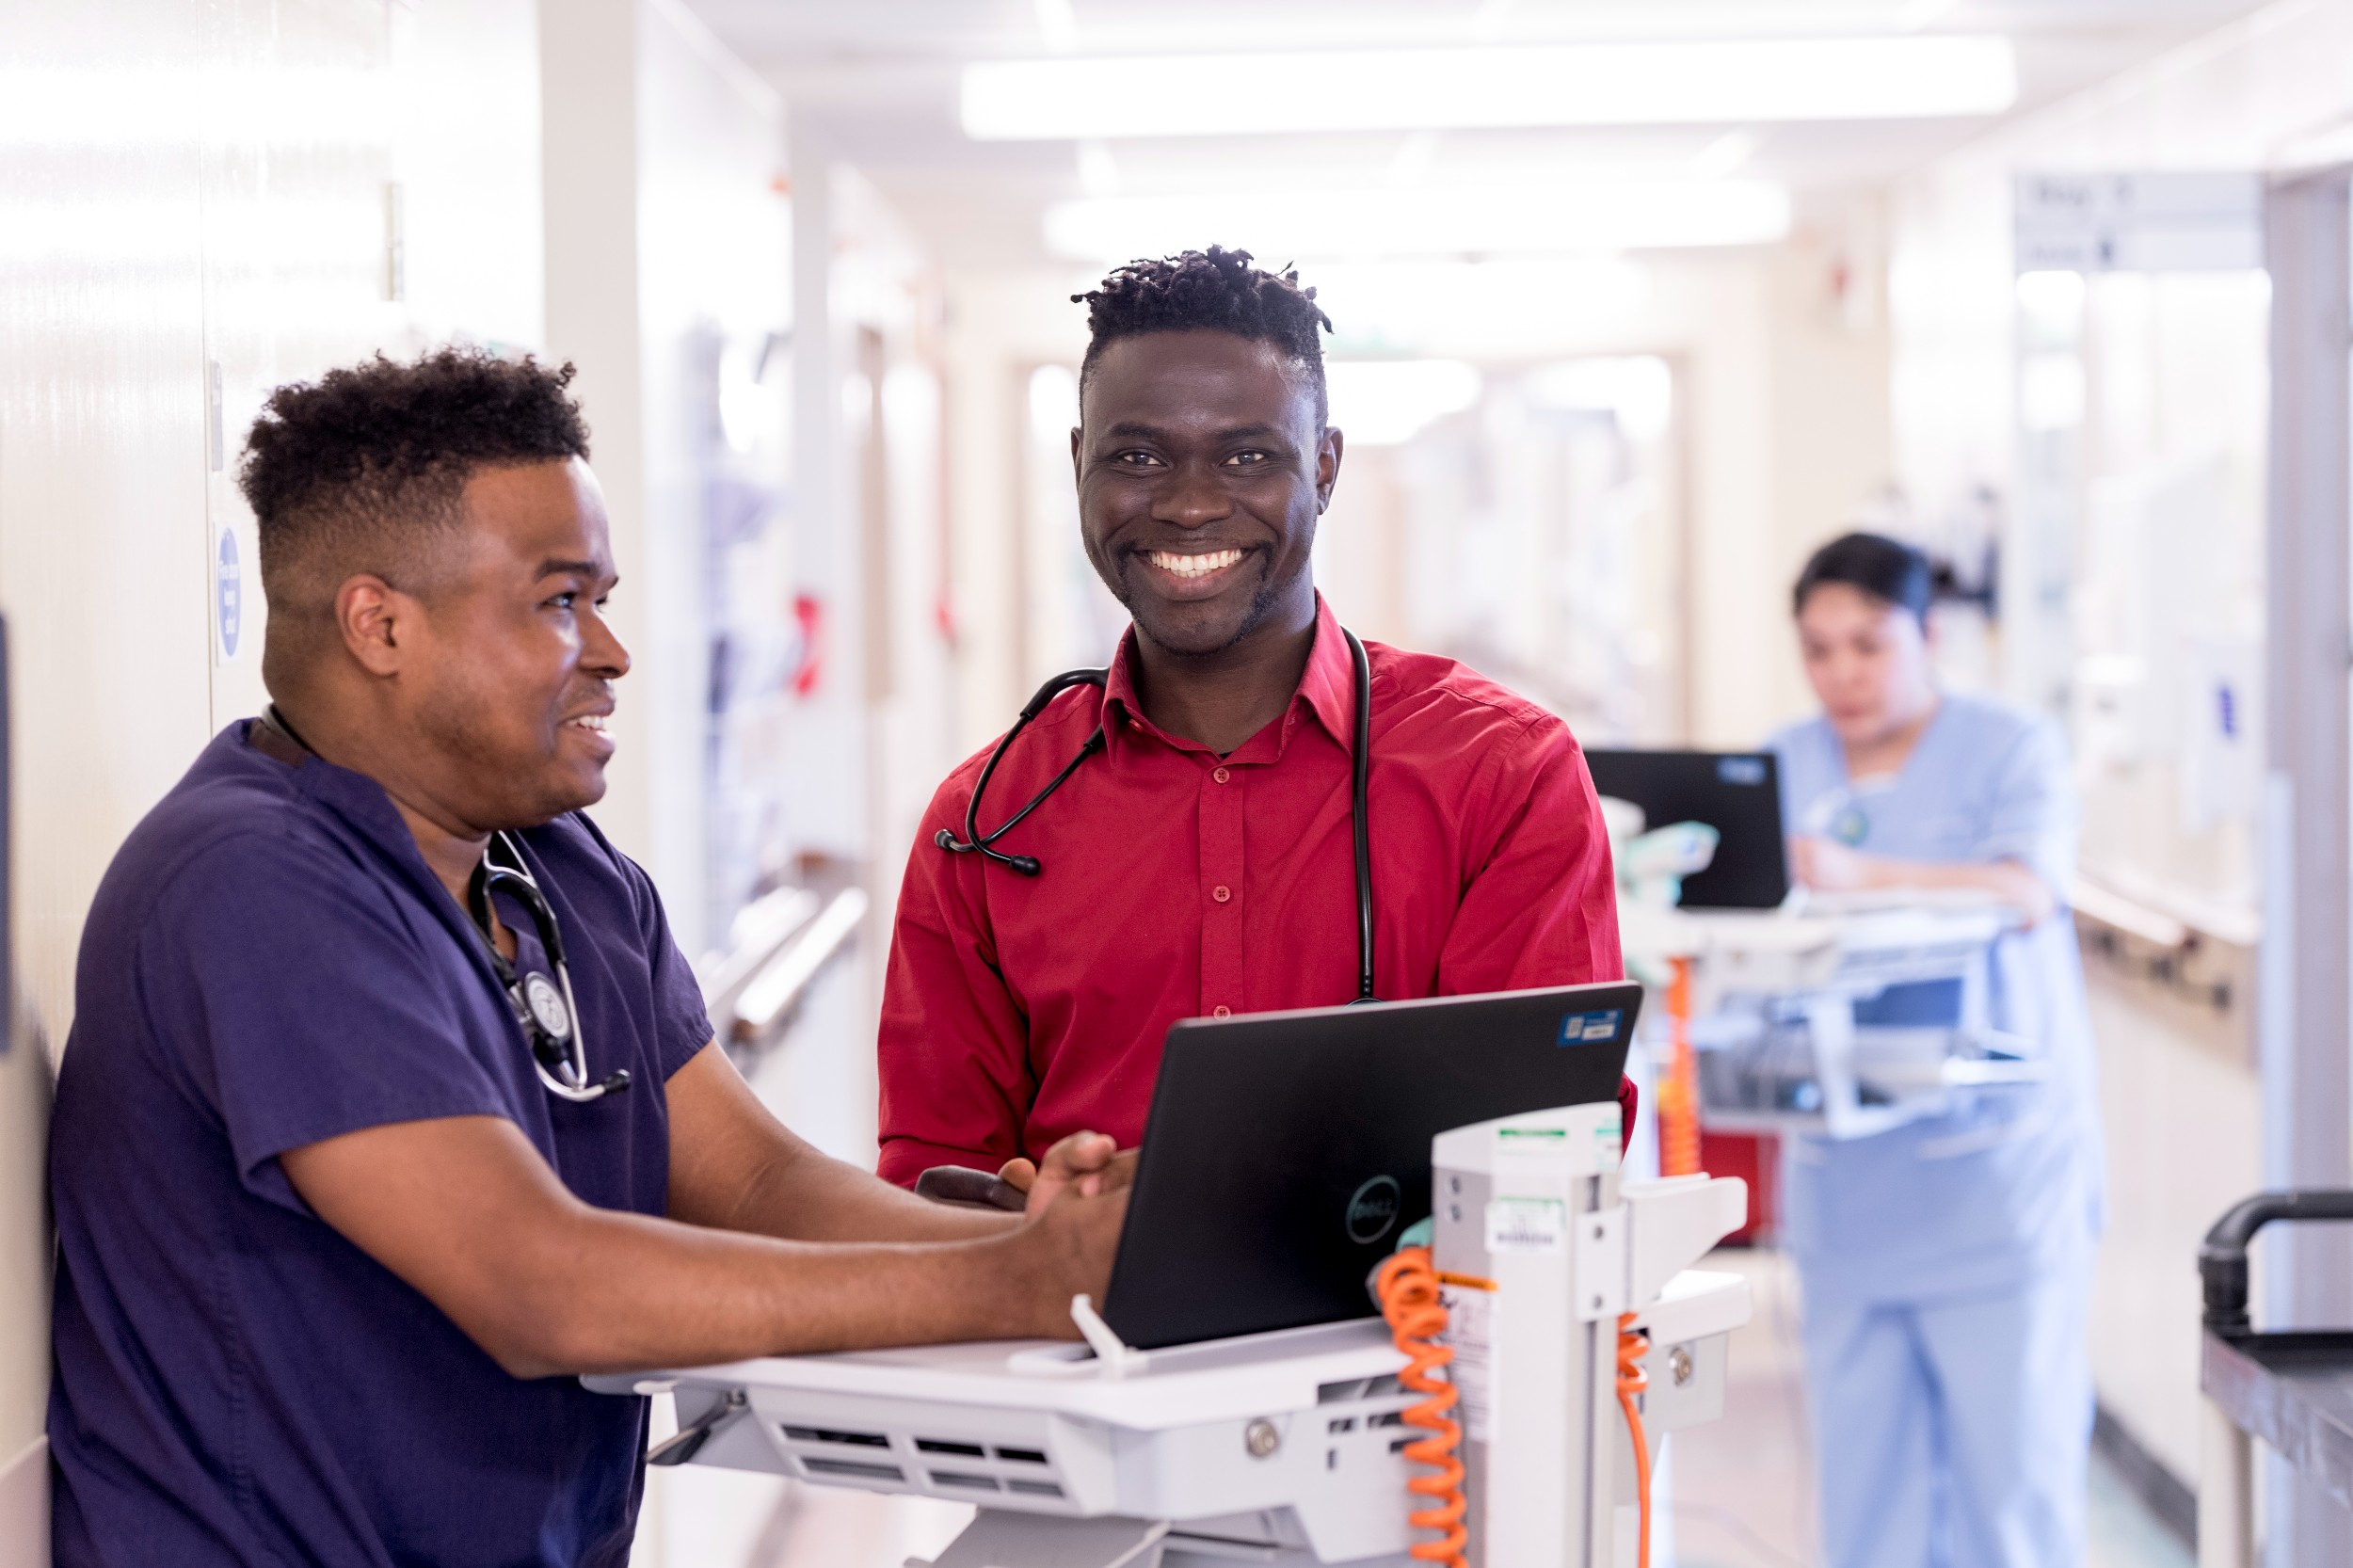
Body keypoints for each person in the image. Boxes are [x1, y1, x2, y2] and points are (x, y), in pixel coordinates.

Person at [46, 350, 1128, 1568]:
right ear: (380, 622)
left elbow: (758, 1185)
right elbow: (539, 1284)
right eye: (560, 601)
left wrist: (1068, 1249)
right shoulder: (250, 885)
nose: (611, 650)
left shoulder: (558, 865)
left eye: (601, 597)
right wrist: (1013, 1288)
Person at [876, 247, 1631, 1189]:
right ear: (1080, 466)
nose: (1191, 504)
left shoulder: (1503, 775)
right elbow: (933, 1172)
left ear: (1323, 466)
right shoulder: (983, 821)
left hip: (1409, 1331)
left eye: (1247, 456)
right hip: (1066, 1333)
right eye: (1138, 456)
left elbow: (1546, 1143)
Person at [1771, 532, 2103, 1568]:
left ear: (1928, 635)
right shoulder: (1782, 763)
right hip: (1844, 1185)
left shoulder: (2011, 748)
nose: (1843, 675)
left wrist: (1855, 878)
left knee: (2014, 1498)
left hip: (1992, 1186)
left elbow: (2026, 890)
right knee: (1866, 1504)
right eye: (1819, 650)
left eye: (1868, 645)